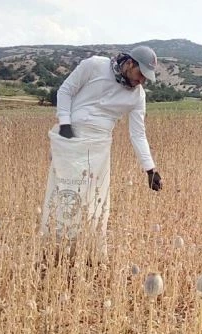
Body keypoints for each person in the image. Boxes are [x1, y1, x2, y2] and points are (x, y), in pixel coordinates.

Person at [40, 45, 162, 264]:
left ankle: (87, 253)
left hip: (99, 147)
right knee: (64, 190)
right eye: (140, 74)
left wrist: (150, 169)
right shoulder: (94, 65)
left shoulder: (138, 97)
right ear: (130, 63)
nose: (142, 81)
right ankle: (54, 251)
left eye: (146, 78)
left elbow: (138, 134)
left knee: (93, 198)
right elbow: (65, 91)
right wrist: (65, 123)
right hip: (69, 138)